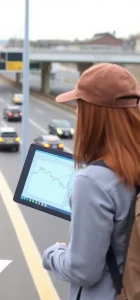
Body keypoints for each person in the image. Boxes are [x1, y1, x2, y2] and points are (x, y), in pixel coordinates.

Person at [42, 63, 140, 300]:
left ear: (92, 114)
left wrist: (54, 253)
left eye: (79, 106)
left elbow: (83, 271)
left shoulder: (93, 181)